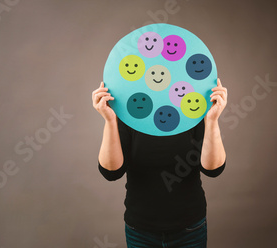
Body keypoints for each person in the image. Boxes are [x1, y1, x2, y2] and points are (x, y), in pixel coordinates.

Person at [92, 79, 227, 248]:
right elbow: (111, 172)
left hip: (190, 229)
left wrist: (212, 120)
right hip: (140, 231)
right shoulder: (130, 113)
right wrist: (110, 120)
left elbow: (213, 169)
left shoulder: (192, 109)